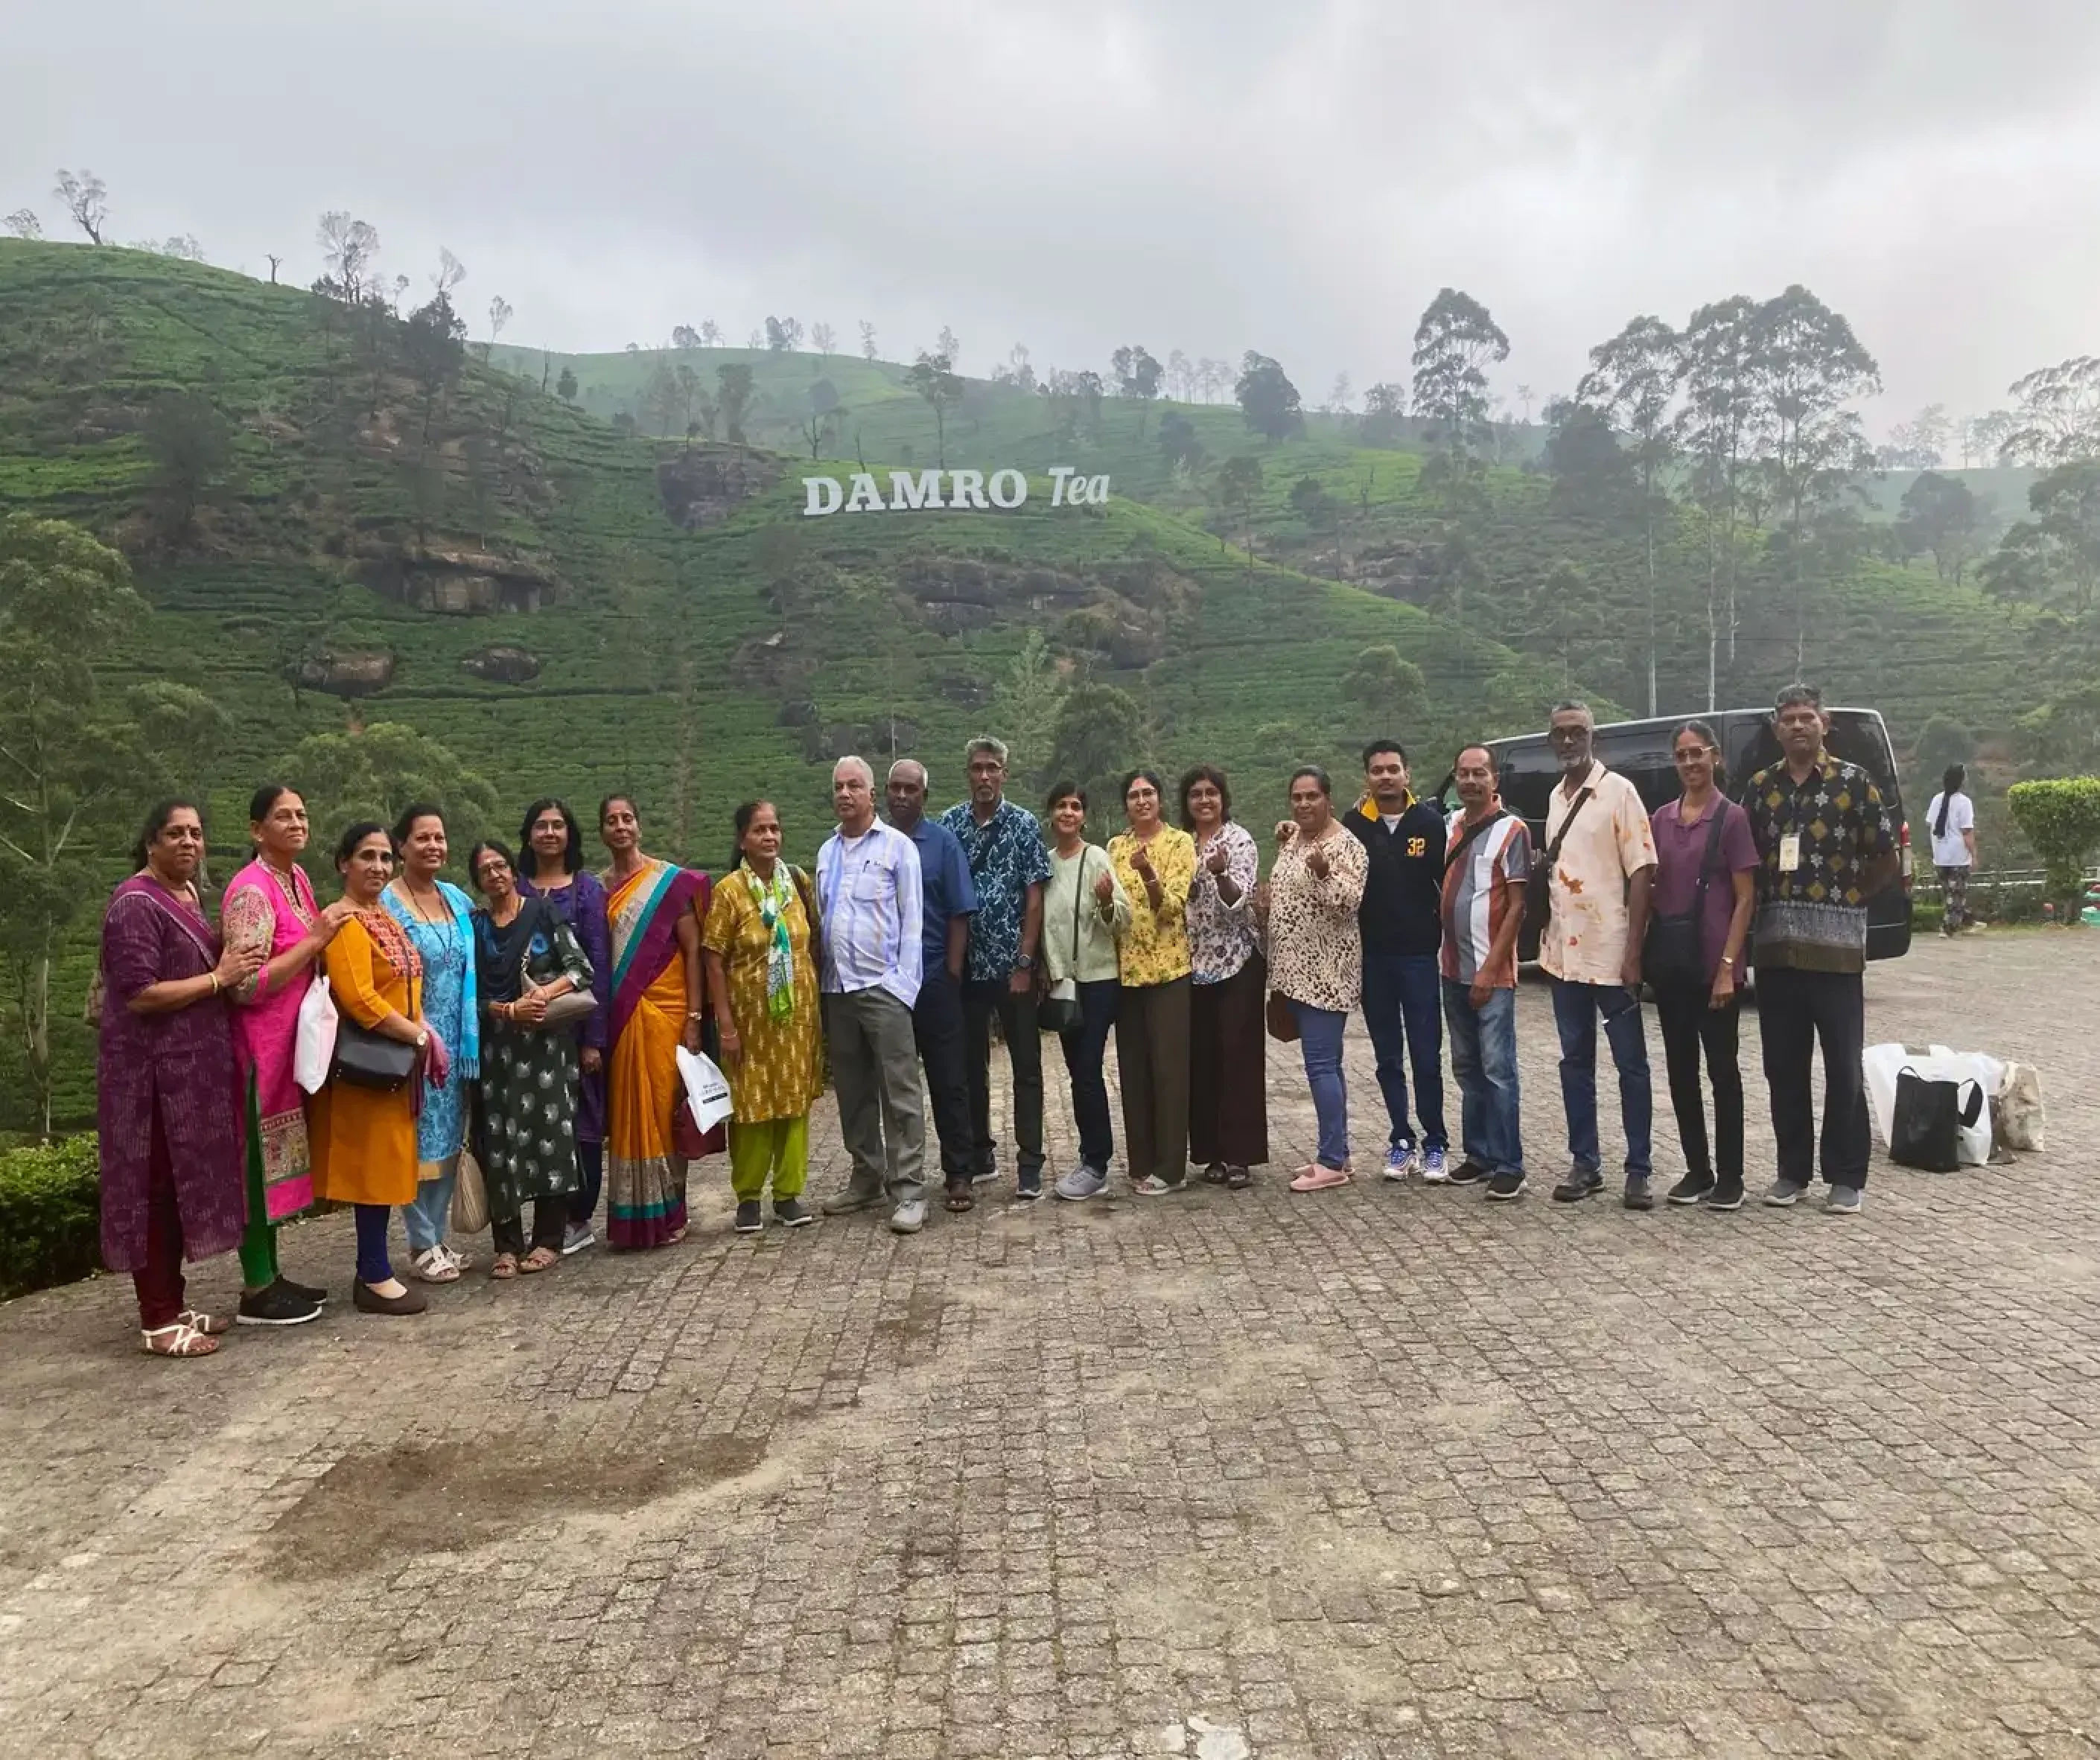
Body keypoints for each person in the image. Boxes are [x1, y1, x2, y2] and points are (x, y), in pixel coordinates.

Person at [96, 802, 259, 1356]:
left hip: (188, 1079)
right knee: (155, 1194)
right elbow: (140, 993)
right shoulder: (134, 904)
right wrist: (219, 978)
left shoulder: (186, 896)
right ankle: (158, 1319)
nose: (189, 841)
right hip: (149, 1083)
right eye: (175, 833)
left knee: (180, 1190)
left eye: (196, 832)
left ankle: (175, 1301)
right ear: (151, 843)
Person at [1744, 683, 1899, 1215]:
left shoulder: (1854, 784)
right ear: (1776, 728)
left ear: (1824, 723)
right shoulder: (1760, 790)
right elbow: (1746, 866)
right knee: (1783, 1067)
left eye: (1807, 717)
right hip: (1775, 954)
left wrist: (1850, 899)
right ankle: (1792, 1173)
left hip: (1836, 956)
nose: (1798, 727)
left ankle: (1847, 1176)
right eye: (1788, 719)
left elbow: (1885, 858)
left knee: (1842, 1067)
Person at [221, 785, 353, 1327]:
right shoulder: (251, 892)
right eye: (284, 816)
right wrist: (315, 941)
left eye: (302, 814)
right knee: (255, 1168)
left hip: (289, 1048)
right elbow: (245, 985)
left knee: (277, 1167)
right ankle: (255, 1287)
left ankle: (271, 1276)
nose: (298, 823)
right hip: (257, 1050)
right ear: (257, 830)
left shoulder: (294, 879)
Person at [311, 823, 440, 1316]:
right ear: (344, 863)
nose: (380, 867)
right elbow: (361, 1000)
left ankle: (375, 1269)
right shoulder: (343, 922)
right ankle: (372, 1273)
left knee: (386, 1167)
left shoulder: (380, 915)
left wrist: (422, 1029)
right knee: (372, 1170)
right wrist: (419, 1037)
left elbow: (407, 985)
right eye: (367, 856)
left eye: (386, 858)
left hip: (396, 1059)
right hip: (370, 1065)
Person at [1538, 701, 1659, 1210]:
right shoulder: (1555, 797)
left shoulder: (1620, 793)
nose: (1569, 741)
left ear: (1594, 736)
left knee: (1631, 1064)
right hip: (1564, 957)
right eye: (1560, 734)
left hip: (1612, 955)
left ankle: (1639, 1169)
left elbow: (1643, 871)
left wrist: (1634, 954)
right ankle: (1585, 1163)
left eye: (1577, 732)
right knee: (1575, 1063)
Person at [815, 757, 929, 1234]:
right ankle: (866, 1177)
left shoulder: (898, 849)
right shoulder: (826, 852)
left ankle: (909, 1191)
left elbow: (913, 921)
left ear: (871, 793)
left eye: (854, 785)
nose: (845, 794)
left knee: (899, 1091)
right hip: (837, 990)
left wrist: (903, 986)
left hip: (883, 987)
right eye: (839, 786)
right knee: (853, 1091)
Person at [468, 839, 591, 1278]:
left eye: (501, 866)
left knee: (551, 1137)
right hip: (498, 1050)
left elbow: (580, 968)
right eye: (486, 871)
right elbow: (470, 995)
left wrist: (541, 993)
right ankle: (506, 1245)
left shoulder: (541, 913)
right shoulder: (476, 926)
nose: (496, 875)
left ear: (513, 870)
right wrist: (506, 1010)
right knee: (501, 1144)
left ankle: (547, 1241)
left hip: (545, 1050)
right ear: (478, 881)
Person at [1649, 722, 1759, 1211]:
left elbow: (1744, 898)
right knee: (1680, 1070)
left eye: (1697, 754)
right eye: (1681, 755)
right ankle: (1698, 1168)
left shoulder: (1732, 818)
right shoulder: (1661, 820)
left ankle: (1731, 1175)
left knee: (1723, 1072)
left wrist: (1728, 966)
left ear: (1714, 757)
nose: (1690, 763)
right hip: (1672, 966)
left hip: (1715, 968)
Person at [703, 802, 827, 1233]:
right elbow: (714, 961)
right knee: (751, 1106)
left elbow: (813, 944)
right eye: (760, 830)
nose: (770, 837)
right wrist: (726, 1025)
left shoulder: (797, 883)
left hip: (795, 1018)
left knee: (793, 1104)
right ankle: (749, 1197)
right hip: (748, 1022)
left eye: (775, 828)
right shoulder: (729, 892)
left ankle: (789, 1195)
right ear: (743, 839)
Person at [598, 794, 715, 1249]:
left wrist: (693, 1019)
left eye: (628, 818)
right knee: (629, 1112)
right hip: (624, 1017)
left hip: (668, 1012)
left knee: (666, 1110)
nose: (621, 826)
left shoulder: (667, 883)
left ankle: (672, 1211)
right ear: (603, 832)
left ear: (640, 827)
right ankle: (632, 1218)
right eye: (612, 821)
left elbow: (692, 954)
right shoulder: (599, 888)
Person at [940, 737, 1054, 1199]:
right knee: (969, 1067)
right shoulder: (949, 826)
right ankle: (979, 1153)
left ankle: (1029, 1164)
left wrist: (1026, 960)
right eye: (976, 769)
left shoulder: (1024, 825)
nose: (984, 776)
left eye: (992, 768)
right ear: (967, 773)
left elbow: (1034, 897)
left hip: (1012, 967)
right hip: (966, 969)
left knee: (1026, 1066)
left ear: (1005, 773)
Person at [1343, 741, 1451, 1184]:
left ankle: (1437, 1143)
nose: (1385, 777)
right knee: (1388, 1057)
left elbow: (1446, 884)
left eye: (1393, 769)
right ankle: (1401, 1139)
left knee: (1427, 1055)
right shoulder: (1354, 825)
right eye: (1377, 770)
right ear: (1367, 777)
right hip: (1374, 960)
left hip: (1419, 958)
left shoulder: (1429, 823)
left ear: (1407, 774)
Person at [382, 806, 481, 1280]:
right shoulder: (387, 904)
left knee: (447, 1140)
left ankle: (437, 1237)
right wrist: (415, 1030)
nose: (434, 846)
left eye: (439, 838)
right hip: (412, 1038)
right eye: (422, 838)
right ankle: (421, 1243)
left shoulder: (457, 899)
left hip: (457, 1044)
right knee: (415, 1140)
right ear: (401, 846)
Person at [1264, 767, 1370, 1192]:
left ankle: (1330, 1162)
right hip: (1293, 973)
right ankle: (1337, 1152)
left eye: (1312, 796)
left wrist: (1326, 871)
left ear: (1328, 798)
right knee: (1327, 1066)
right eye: (1297, 797)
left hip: (1327, 974)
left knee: (1322, 1065)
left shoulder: (1348, 846)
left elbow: (1349, 903)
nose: (1304, 804)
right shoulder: (1294, 840)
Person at [515, 797, 611, 1254]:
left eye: (558, 825)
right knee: (535, 1122)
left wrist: (594, 1039)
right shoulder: (515, 888)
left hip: (574, 1028)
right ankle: (542, 1222)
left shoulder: (587, 890)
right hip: (525, 1029)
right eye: (541, 825)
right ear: (528, 835)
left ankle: (579, 1217)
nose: (549, 833)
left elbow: (598, 963)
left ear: (570, 834)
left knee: (582, 1122)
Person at [886, 760, 979, 1213]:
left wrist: (952, 973)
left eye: (911, 789)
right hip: (886, 986)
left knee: (948, 1078)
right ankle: (898, 1175)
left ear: (924, 795)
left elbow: (960, 912)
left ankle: (959, 1172)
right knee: (895, 1086)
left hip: (934, 977)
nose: (902, 796)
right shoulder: (873, 844)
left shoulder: (943, 843)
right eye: (895, 788)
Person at [1441, 747, 1532, 1201]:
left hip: (1490, 974)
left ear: (1494, 779)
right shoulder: (1451, 826)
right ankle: (1477, 1153)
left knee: (1498, 1070)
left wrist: (1491, 968)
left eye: (1480, 773)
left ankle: (1509, 1163)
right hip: (1450, 968)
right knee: (1467, 1067)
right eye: (1464, 773)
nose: (1471, 781)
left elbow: (1517, 908)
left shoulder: (1514, 831)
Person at [1108, 768, 1197, 1196]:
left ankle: (1172, 1169)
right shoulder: (1115, 847)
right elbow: (1114, 916)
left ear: (1160, 800)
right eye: (1133, 795)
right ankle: (1141, 1162)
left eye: (1148, 793)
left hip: (1169, 972)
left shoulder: (1180, 843)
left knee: (1169, 1071)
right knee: (1135, 1070)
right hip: (1127, 974)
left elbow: (1172, 910)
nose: (1141, 801)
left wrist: (1147, 874)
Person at [1043, 782, 1131, 1201]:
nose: (1068, 812)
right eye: (1061, 805)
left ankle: (1096, 1161)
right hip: (1064, 983)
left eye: (1076, 806)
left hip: (1097, 981)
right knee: (1078, 1071)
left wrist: (1107, 900)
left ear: (1085, 816)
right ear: (1051, 814)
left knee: (1088, 1069)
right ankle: (1092, 1158)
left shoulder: (1096, 857)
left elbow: (1123, 920)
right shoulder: (1044, 866)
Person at [1181, 765, 1267, 1187]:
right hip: (1191, 966)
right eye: (1195, 793)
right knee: (1203, 1059)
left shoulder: (1239, 840)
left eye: (1211, 793)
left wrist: (1218, 871)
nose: (1203, 800)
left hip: (1237, 962)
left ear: (1223, 798)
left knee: (1238, 1058)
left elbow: (1238, 902)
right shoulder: (1179, 844)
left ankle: (1240, 1157)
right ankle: (1210, 1153)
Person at [1926, 764, 1978, 934]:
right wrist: (1974, 855)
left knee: (1951, 893)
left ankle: (1967, 921)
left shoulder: (1936, 800)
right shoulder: (1964, 803)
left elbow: (1931, 825)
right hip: (1958, 855)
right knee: (1956, 895)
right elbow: (1967, 832)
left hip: (1940, 854)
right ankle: (1948, 928)